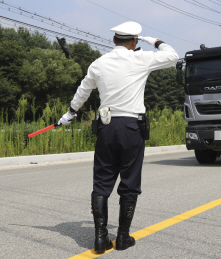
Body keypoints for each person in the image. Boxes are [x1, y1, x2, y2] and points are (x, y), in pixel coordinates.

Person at [58, 21, 179, 252]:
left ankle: (100, 239)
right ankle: (123, 237)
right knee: (130, 182)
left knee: (102, 183)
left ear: (114, 40)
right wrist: (151, 40)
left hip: (106, 127)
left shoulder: (99, 63)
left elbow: (83, 91)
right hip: (132, 127)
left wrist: (70, 113)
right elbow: (172, 56)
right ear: (133, 41)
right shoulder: (140, 59)